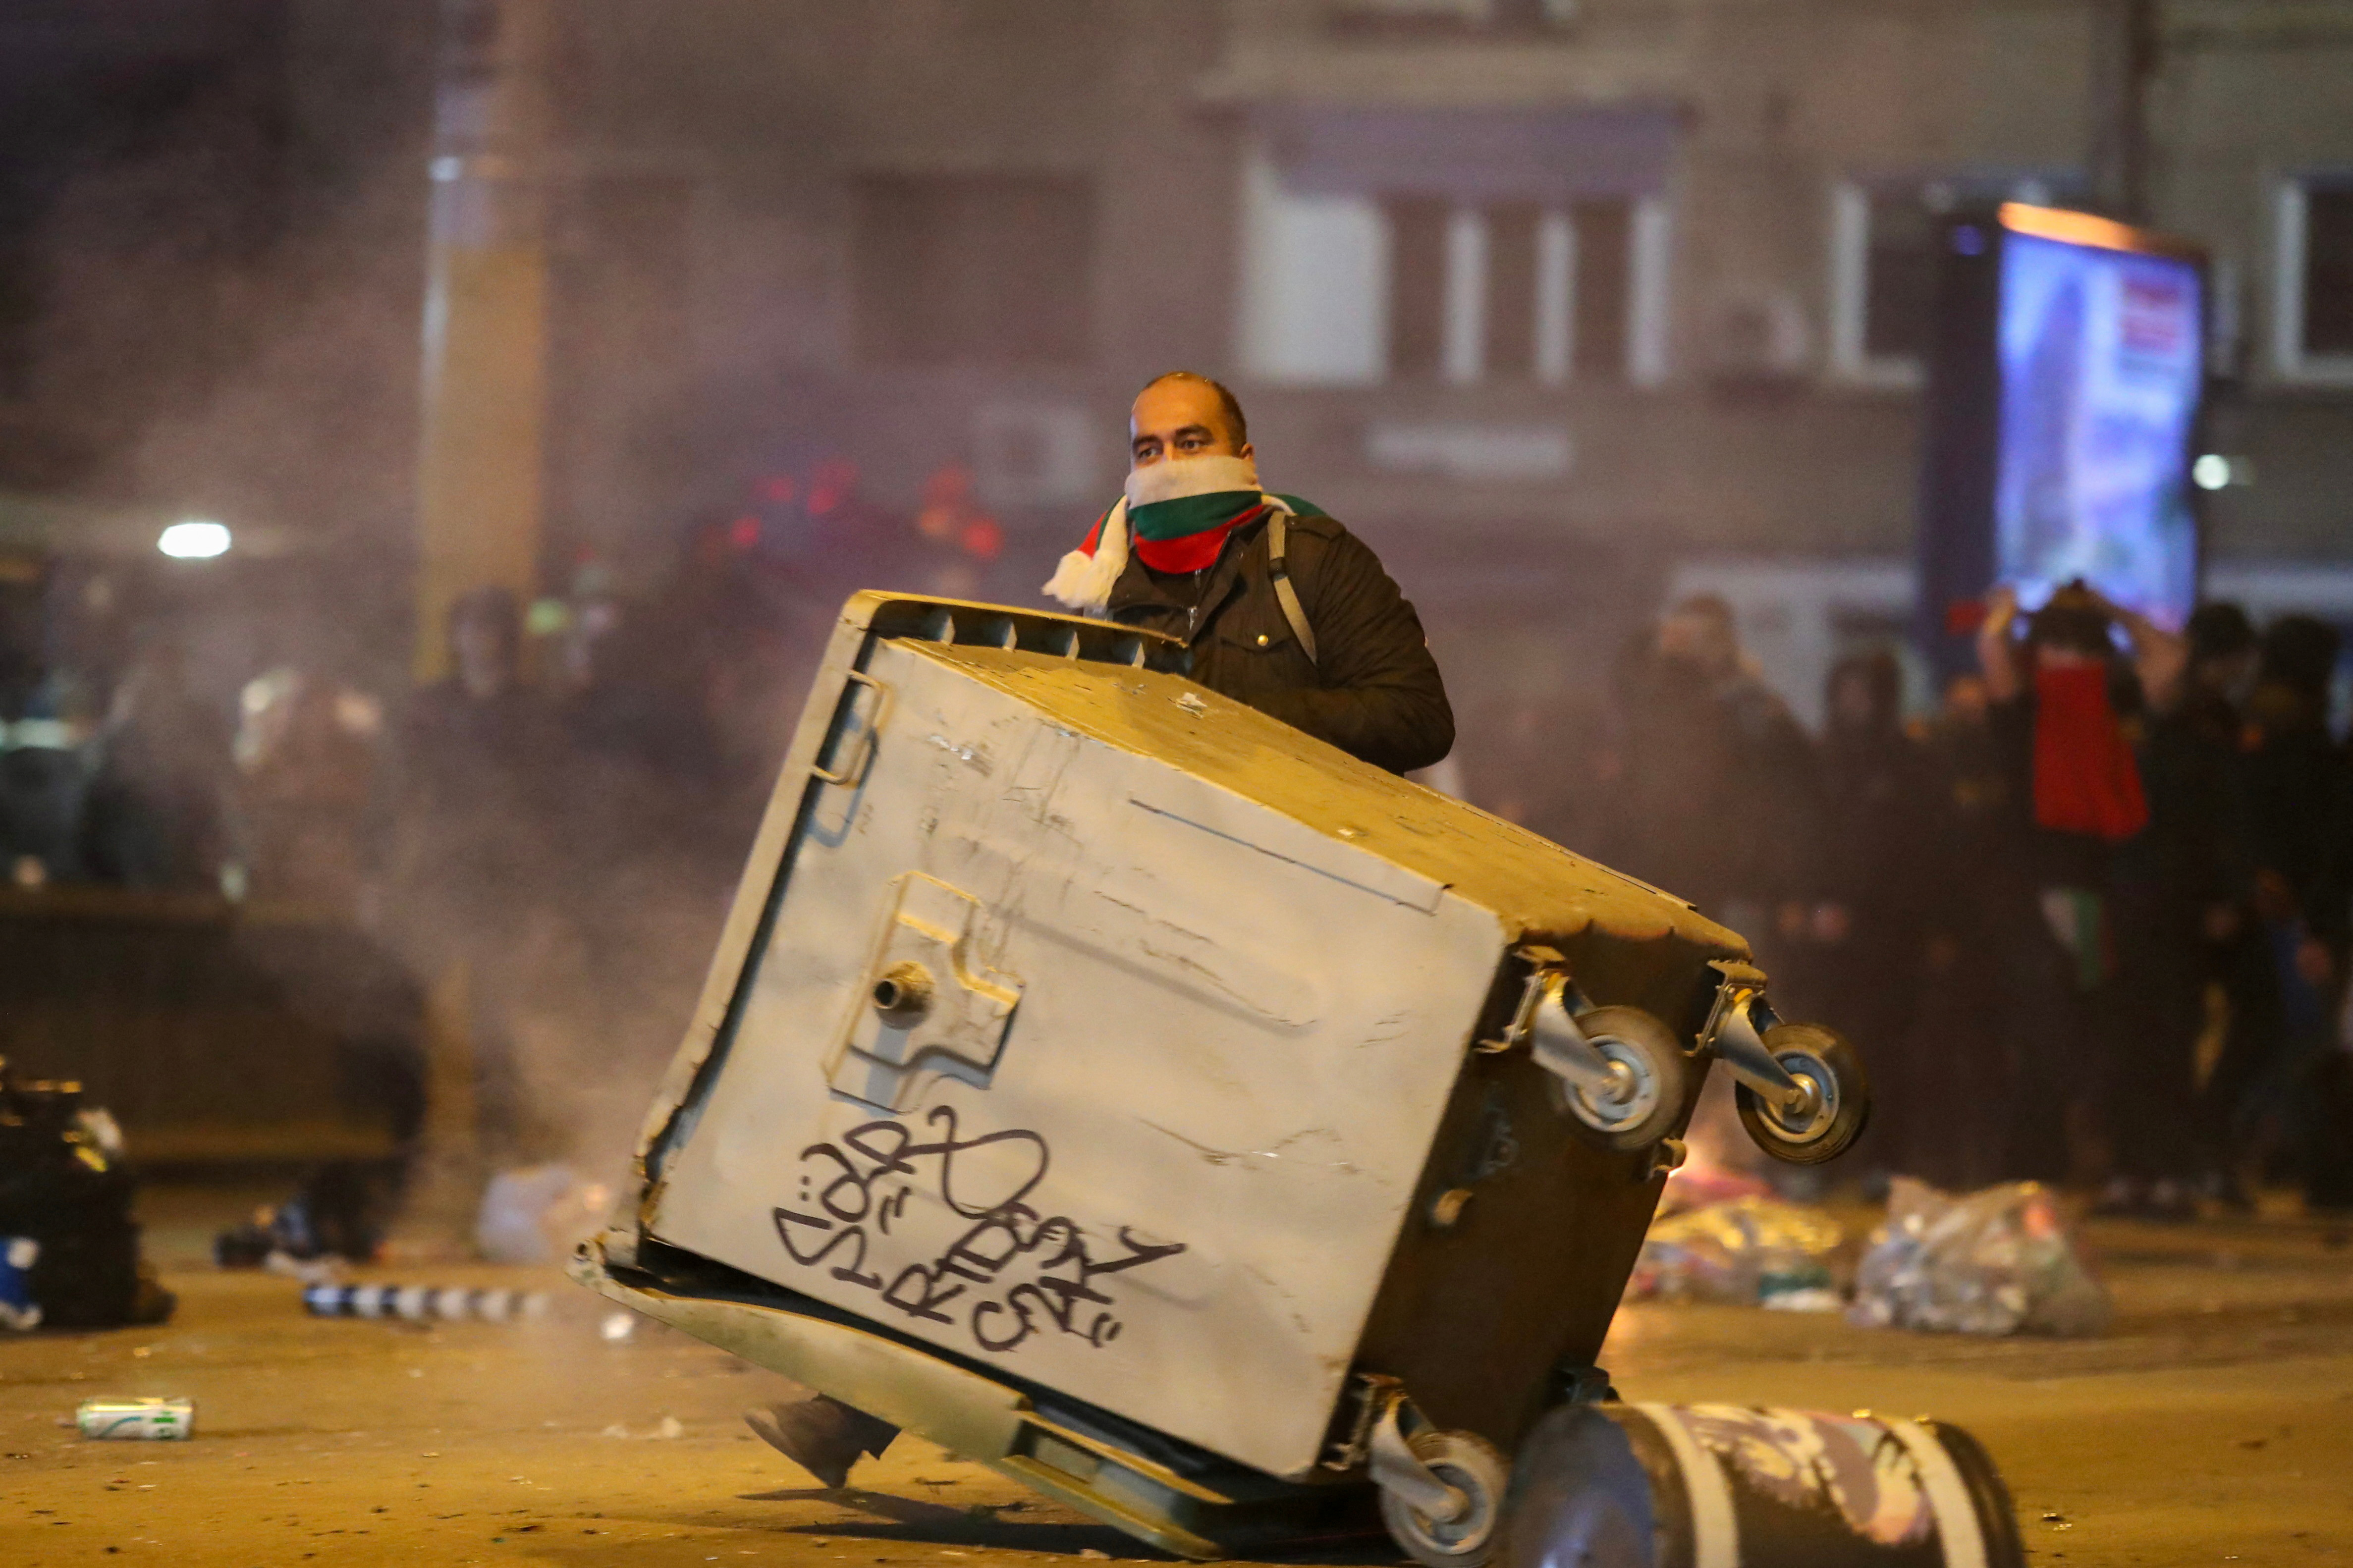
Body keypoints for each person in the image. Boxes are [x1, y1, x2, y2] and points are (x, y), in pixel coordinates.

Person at [1042, 371, 1453, 775]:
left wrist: (1237, 720)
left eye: (1190, 444)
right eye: (1148, 451)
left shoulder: (1313, 559)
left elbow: (1417, 716)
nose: (1167, 466)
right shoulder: (1106, 595)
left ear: (1244, 459)